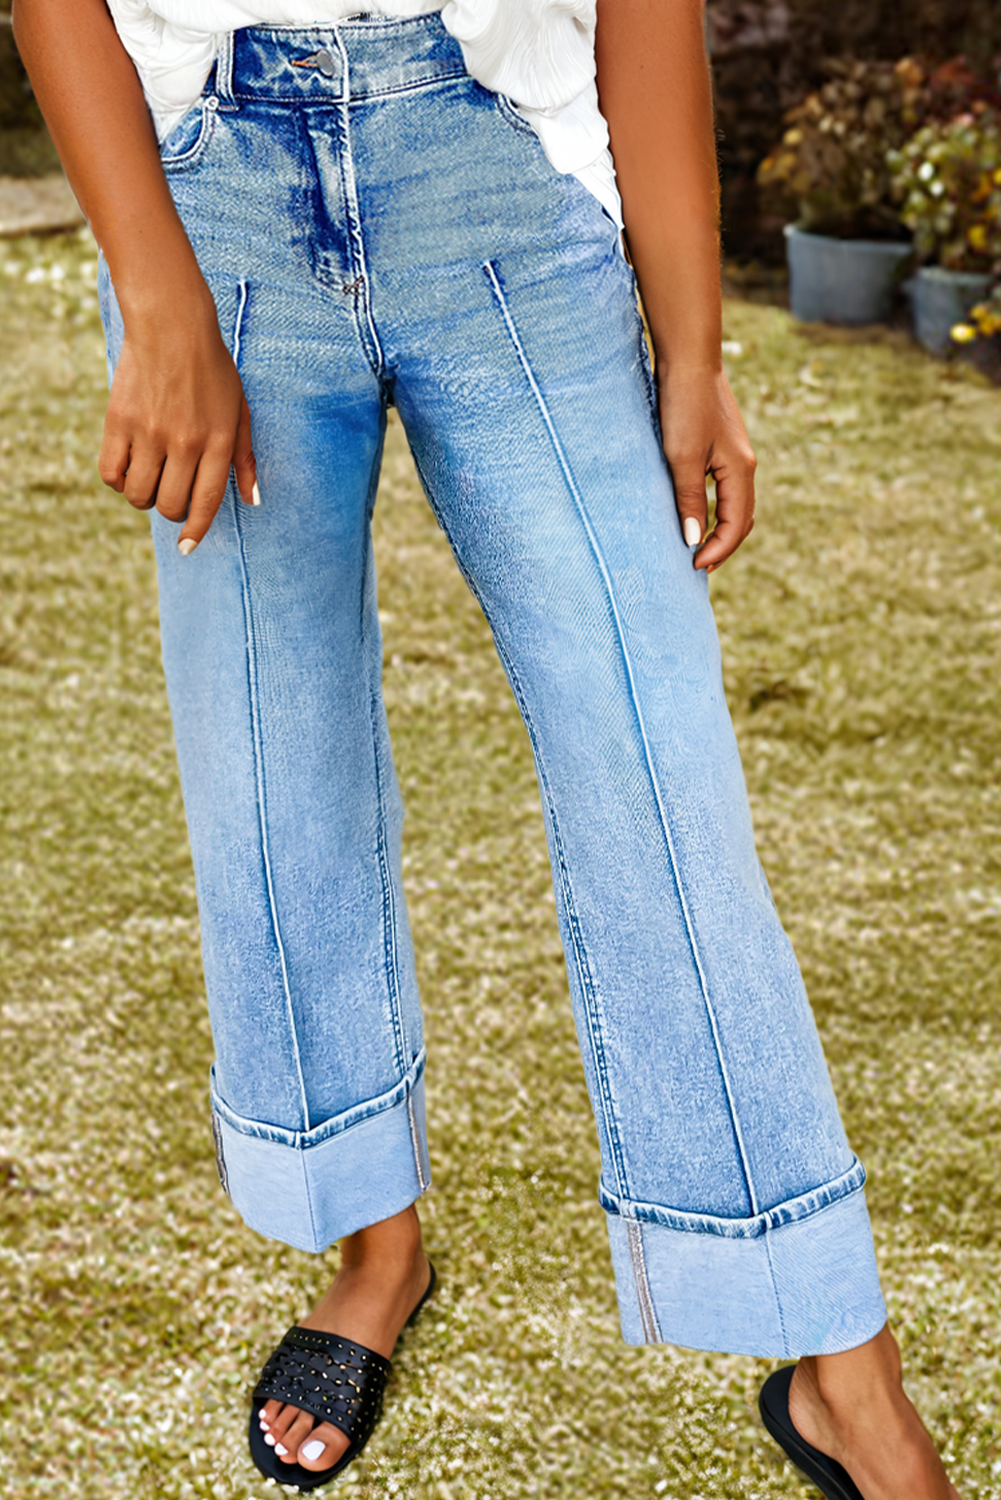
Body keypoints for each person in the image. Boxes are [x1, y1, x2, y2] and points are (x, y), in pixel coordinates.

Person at [13, 2, 960, 1495]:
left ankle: (841, 1357)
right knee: (275, 762)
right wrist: (152, 284)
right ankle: (374, 1247)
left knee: (657, 763)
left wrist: (695, 349)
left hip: (499, 166)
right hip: (209, 191)